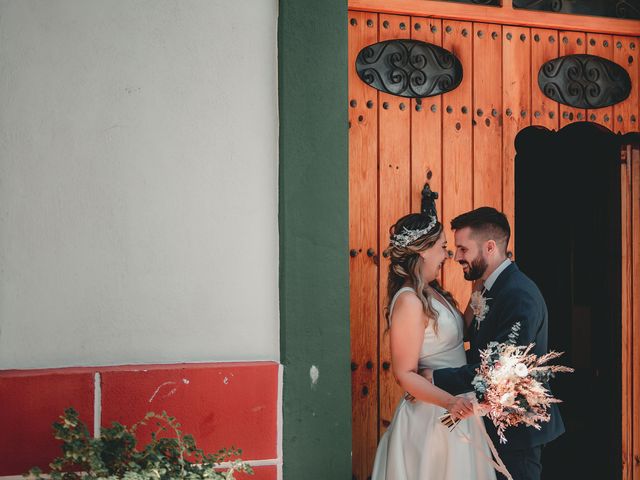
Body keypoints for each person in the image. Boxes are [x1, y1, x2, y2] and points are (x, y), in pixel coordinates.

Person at [422, 207, 565, 480]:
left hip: (516, 432)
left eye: (463, 249)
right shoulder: (489, 288)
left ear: (489, 247)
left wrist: (435, 378)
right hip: (487, 424)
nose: (457, 257)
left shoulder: (518, 295)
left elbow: (499, 369)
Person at [371, 186, 496, 480]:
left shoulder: (432, 293)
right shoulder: (409, 301)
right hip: (434, 414)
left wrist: (482, 283)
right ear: (423, 251)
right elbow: (406, 374)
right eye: (441, 246)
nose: (447, 254)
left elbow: (459, 332)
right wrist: (450, 402)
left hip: (459, 407)